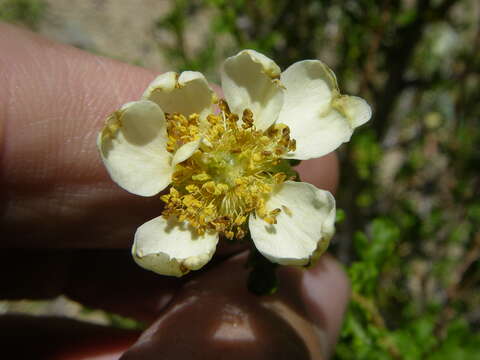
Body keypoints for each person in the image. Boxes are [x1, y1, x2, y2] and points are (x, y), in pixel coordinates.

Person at [0, 23, 349, 359]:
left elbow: (304, 236)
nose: (222, 165)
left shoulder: (290, 205)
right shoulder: (168, 156)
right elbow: (130, 138)